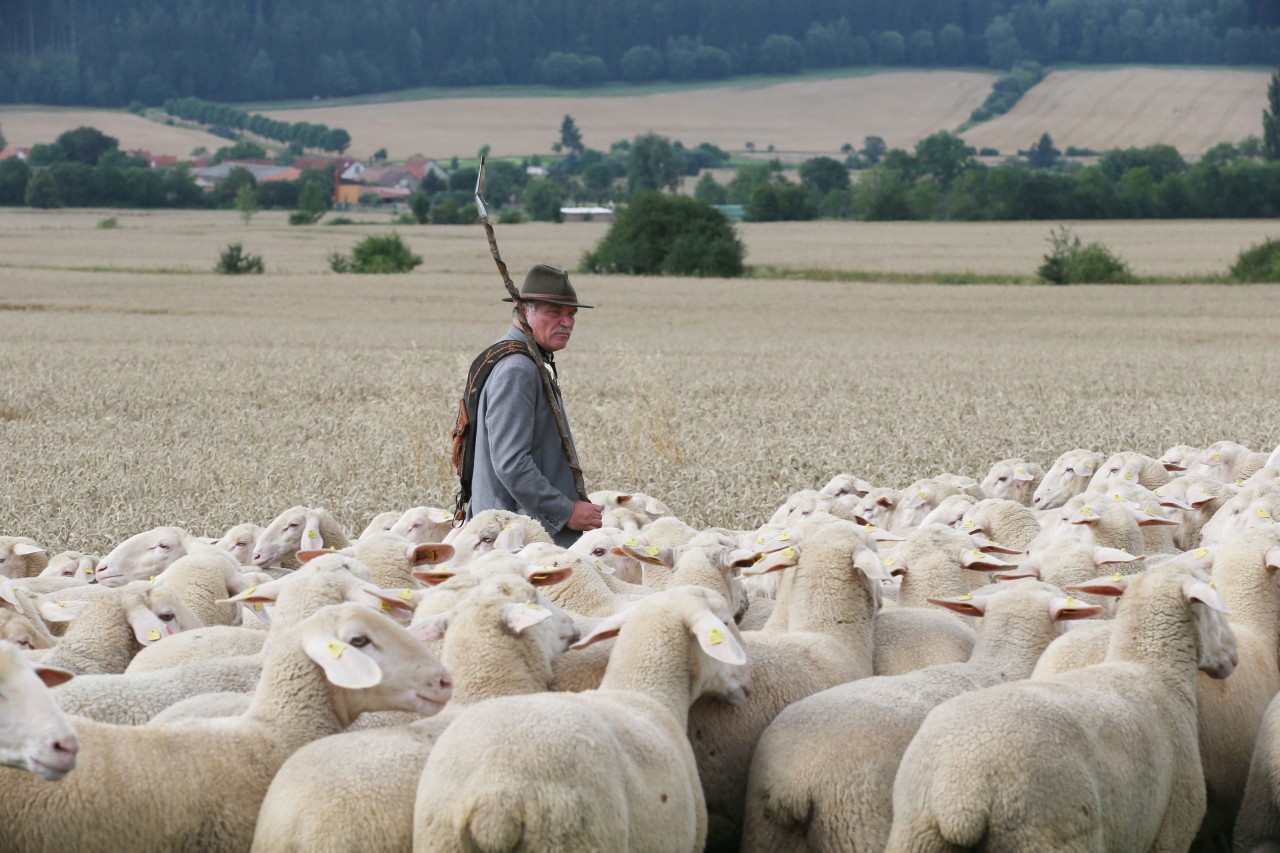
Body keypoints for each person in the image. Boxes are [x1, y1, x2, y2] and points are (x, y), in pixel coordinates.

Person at [467, 263, 602, 547]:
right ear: (523, 310)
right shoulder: (518, 367)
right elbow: (511, 462)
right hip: (514, 540)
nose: (567, 322)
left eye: (571, 314)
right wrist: (566, 511)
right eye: (554, 312)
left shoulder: (522, 358)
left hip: (518, 533)